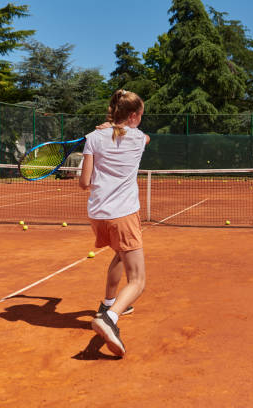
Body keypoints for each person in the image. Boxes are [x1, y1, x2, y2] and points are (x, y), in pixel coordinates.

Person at [79, 89, 150, 356]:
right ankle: (109, 318)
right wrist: (114, 127)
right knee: (139, 280)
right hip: (123, 215)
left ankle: (107, 303)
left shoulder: (93, 138)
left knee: (120, 255)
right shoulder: (137, 138)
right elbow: (146, 137)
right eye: (140, 115)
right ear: (133, 116)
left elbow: (84, 183)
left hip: (98, 216)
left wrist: (105, 130)